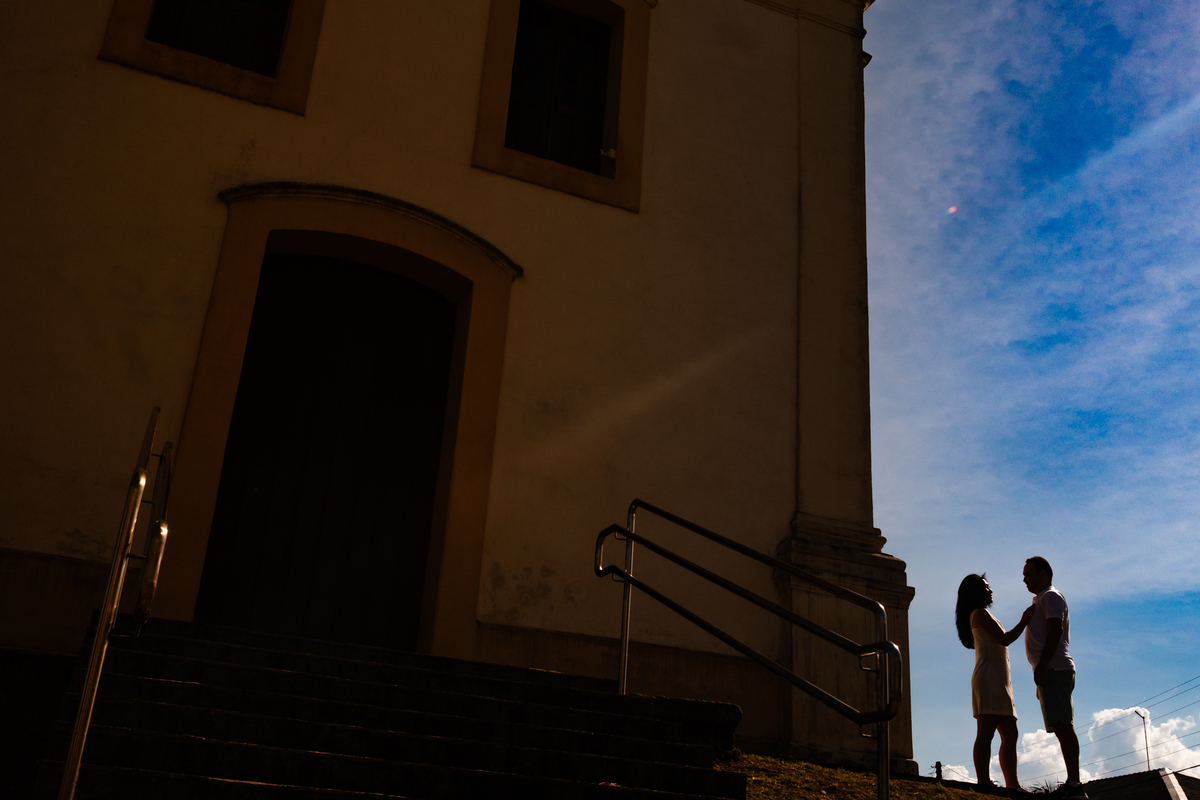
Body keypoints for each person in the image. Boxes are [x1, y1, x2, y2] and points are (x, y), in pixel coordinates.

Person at [956, 573, 1029, 790]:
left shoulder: (984, 614)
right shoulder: (979, 614)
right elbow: (1005, 638)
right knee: (986, 732)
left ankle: (1012, 784)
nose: (990, 590)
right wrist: (1024, 620)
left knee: (1010, 733)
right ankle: (984, 781)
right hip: (988, 678)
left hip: (997, 679)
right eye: (986, 587)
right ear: (977, 592)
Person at [1023, 556, 1086, 799]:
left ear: (1043, 574)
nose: (1025, 579)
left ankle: (1074, 785)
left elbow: (1055, 629)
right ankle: (1073, 784)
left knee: (1063, 725)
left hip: (1055, 668)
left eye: (1028, 574)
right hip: (1050, 670)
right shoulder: (1042, 598)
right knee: (1060, 726)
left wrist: (1044, 664)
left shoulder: (1050, 596)